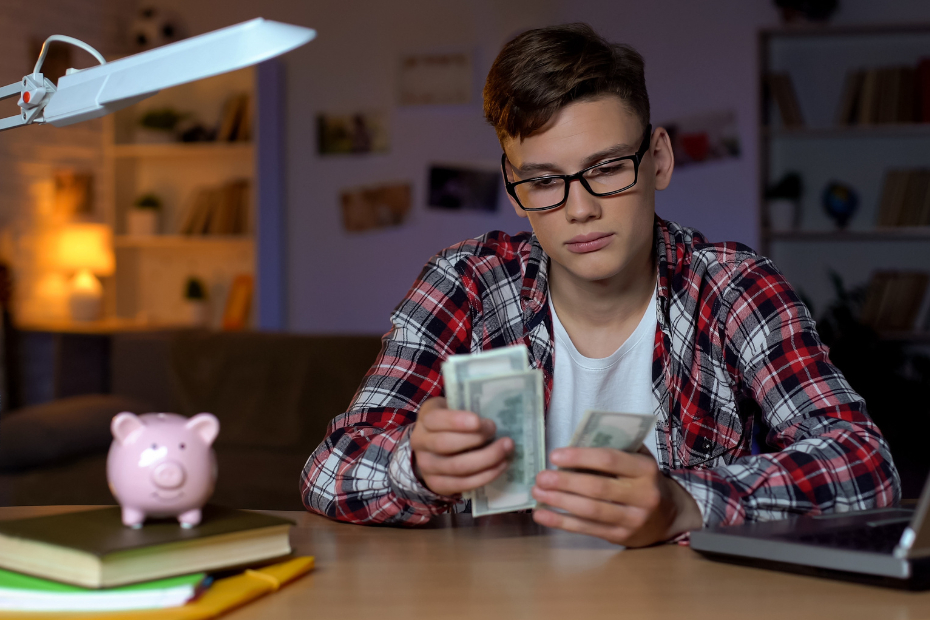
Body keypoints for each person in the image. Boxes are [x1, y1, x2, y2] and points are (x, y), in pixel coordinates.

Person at [300, 23, 900, 547]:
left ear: (659, 159)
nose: (579, 210)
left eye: (608, 168)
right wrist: (415, 467)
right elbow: (326, 472)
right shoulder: (467, 284)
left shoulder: (734, 286)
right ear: (513, 188)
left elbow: (865, 464)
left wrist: (683, 503)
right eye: (543, 181)